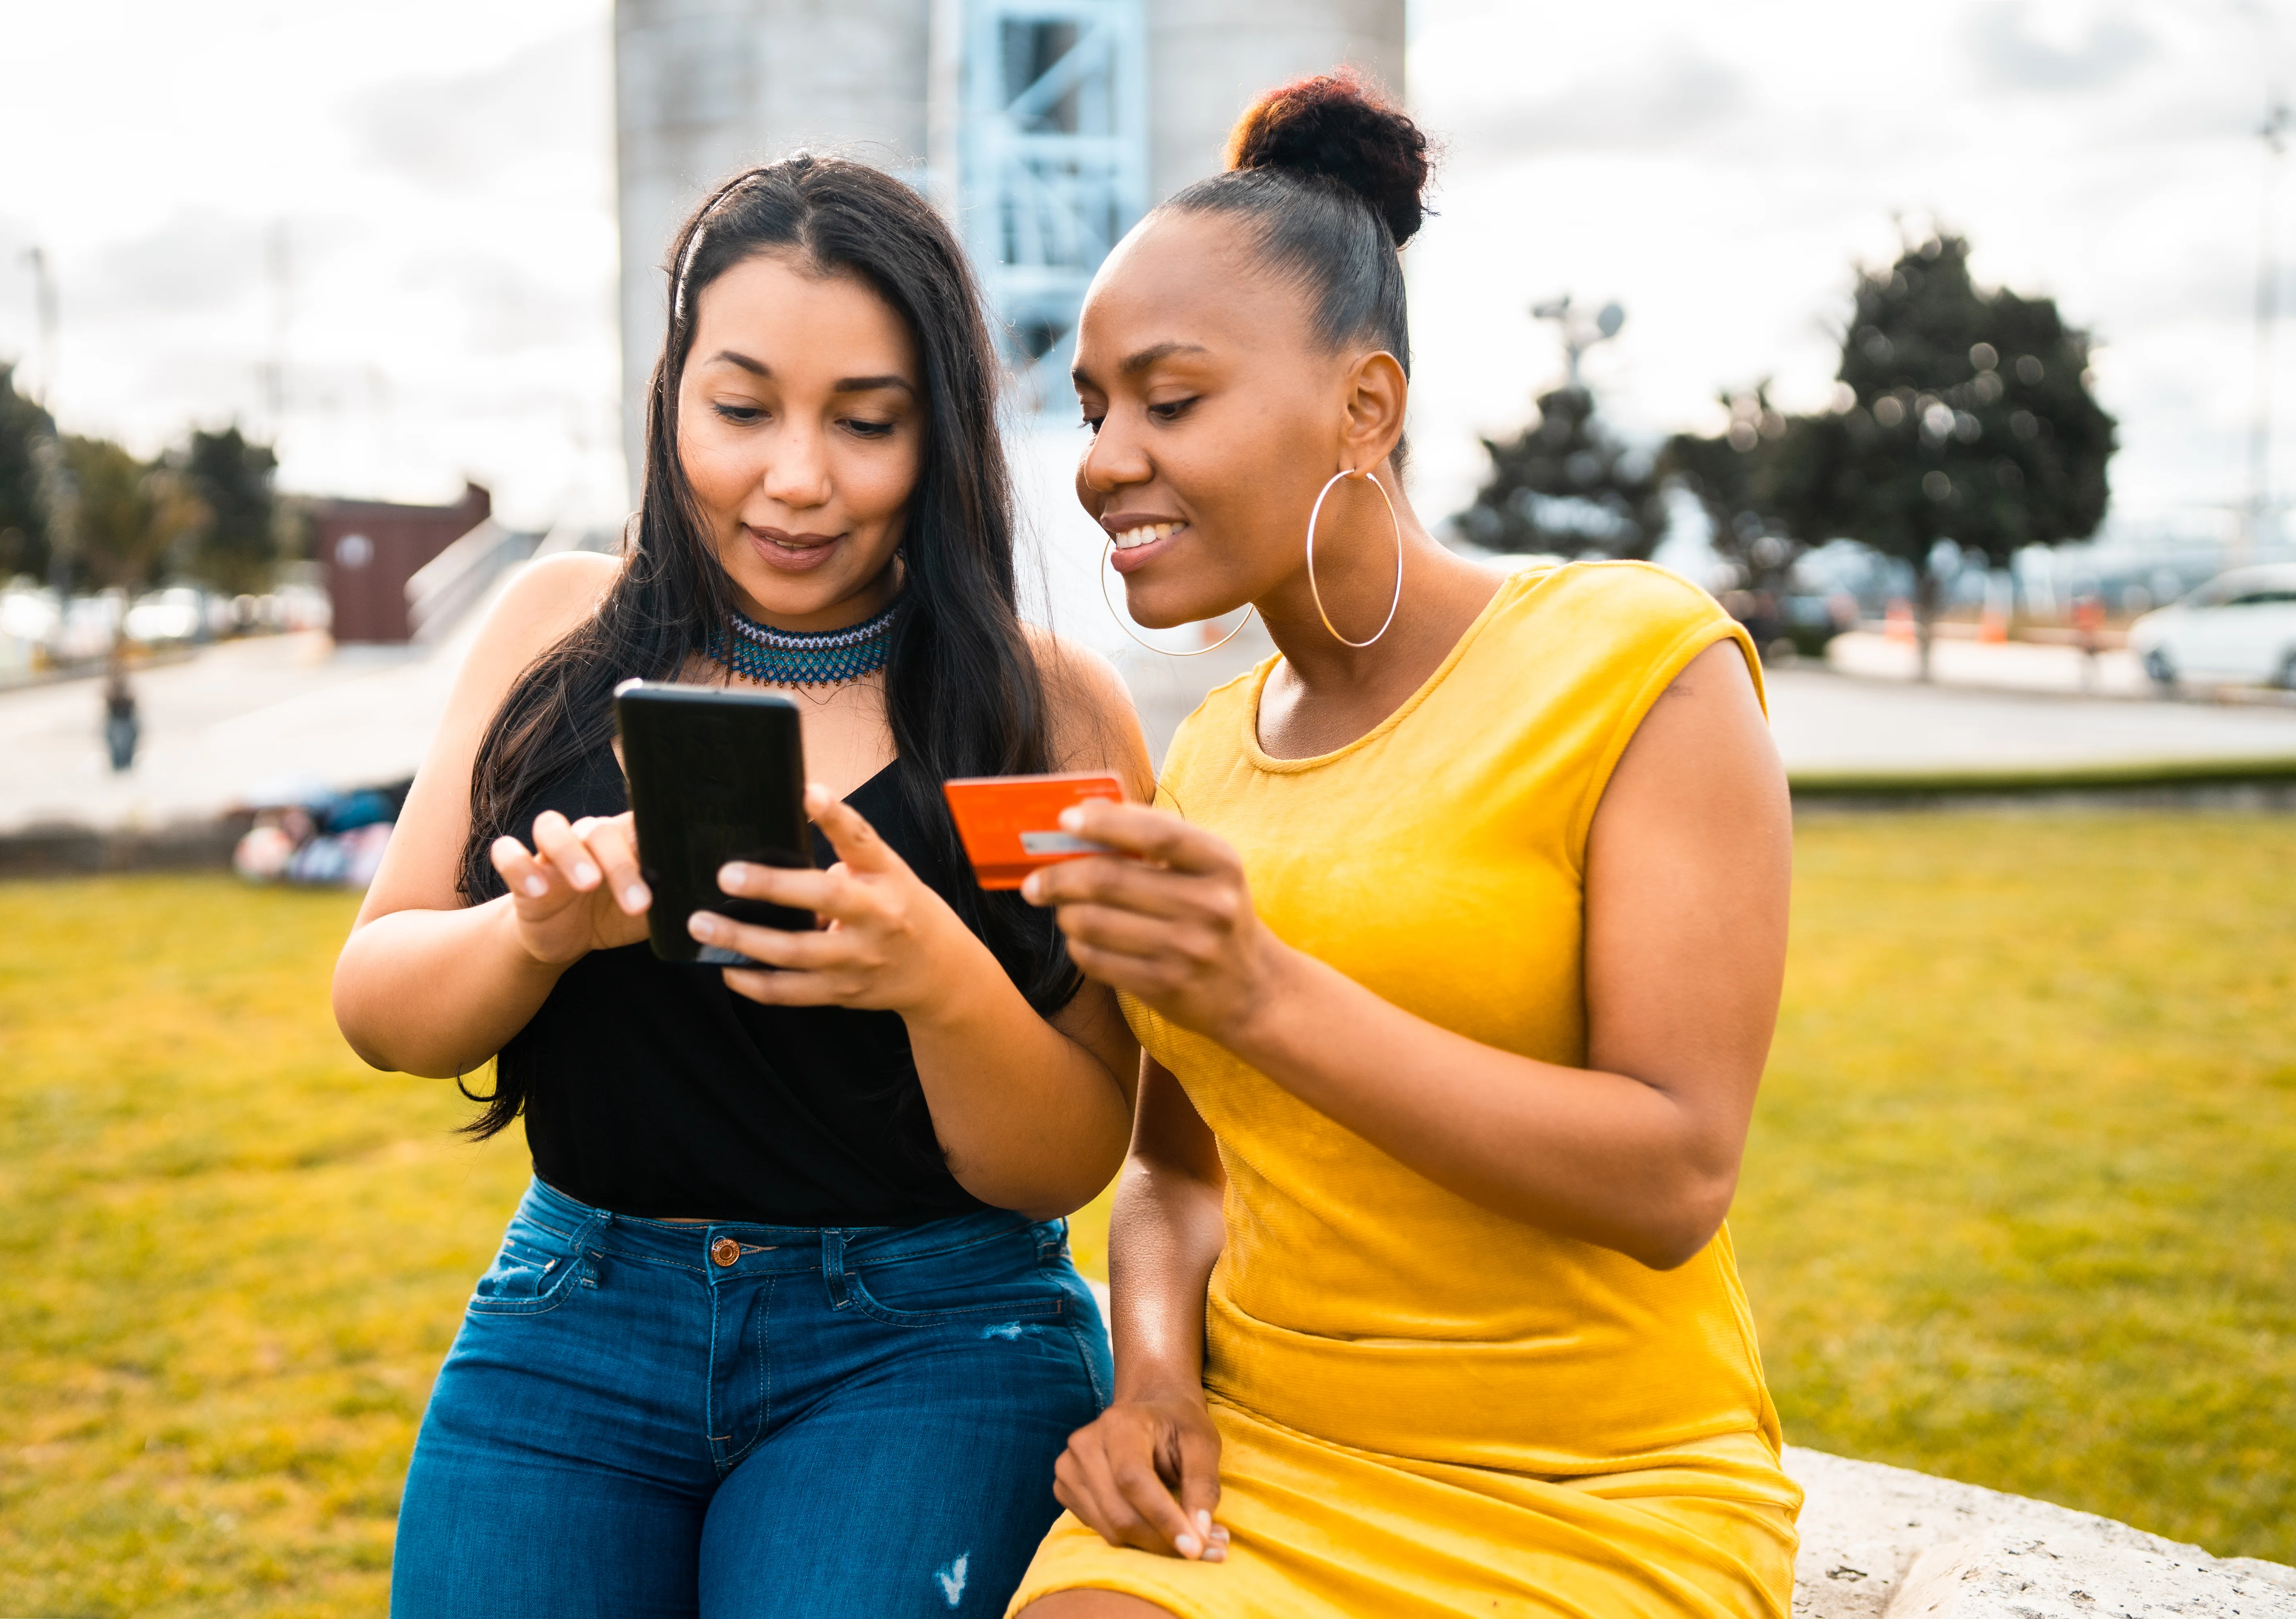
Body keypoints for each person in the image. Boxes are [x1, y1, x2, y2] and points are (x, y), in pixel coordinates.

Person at [1009, 74, 1801, 1618]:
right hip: (1271, 1462)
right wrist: (1156, 1378)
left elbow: (1672, 1171)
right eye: (1096, 406)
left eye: (1168, 400)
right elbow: (1176, 1172)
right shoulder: (1208, 749)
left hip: (1599, 1482)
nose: (1105, 458)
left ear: (1365, 406)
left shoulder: (1634, 661)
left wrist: (1259, 992)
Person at [331, 155, 1153, 1619]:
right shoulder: (551, 627)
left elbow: (1073, 1151)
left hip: (932, 1332)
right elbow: (383, 1007)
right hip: (576, 1311)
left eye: (865, 422)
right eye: (741, 406)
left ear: (942, 435)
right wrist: (538, 932)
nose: (796, 476)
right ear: (670, 402)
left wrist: (932, 975)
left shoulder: (1046, 715)